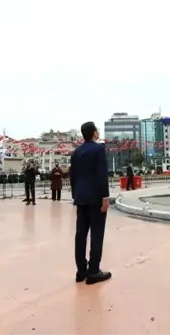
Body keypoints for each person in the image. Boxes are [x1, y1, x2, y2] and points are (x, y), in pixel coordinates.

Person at [70, 122, 112, 285]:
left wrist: (76, 196)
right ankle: (93, 271)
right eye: (97, 131)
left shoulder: (76, 152)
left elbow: (73, 177)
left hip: (81, 198)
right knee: (97, 233)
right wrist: (105, 197)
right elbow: (102, 174)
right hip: (96, 198)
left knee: (80, 234)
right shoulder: (99, 149)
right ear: (94, 133)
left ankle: (81, 271)